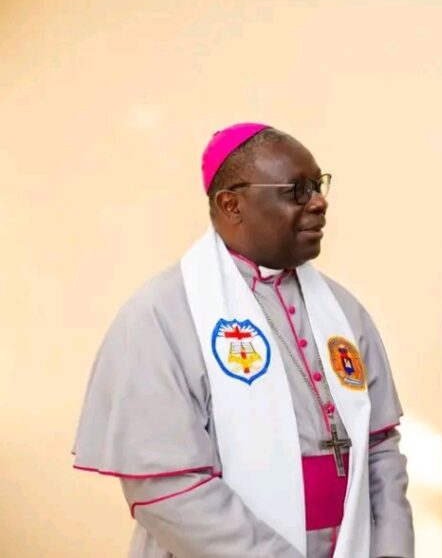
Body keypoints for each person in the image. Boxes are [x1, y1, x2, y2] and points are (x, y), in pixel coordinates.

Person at [73, 123, 414, 558]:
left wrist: (390, 552)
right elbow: (168, 488)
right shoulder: (162, 315)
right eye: (297, 190)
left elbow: (380, 448)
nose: (319, 202)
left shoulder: (343, 312)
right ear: (231, 204)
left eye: (318, 186)